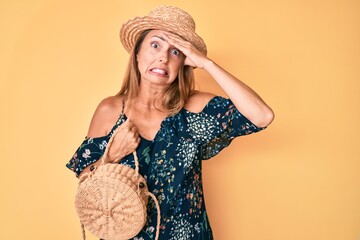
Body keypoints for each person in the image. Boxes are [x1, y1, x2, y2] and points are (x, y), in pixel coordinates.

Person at [66, 5, 274, 240]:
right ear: (137, 54)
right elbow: (85, 182)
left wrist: (207, 64)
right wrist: (111, 155)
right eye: (155, 45)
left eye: (176, 52)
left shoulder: (194, 108)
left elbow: (262, 116)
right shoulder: (111, 109)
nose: (163, 57)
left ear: (184, 63)